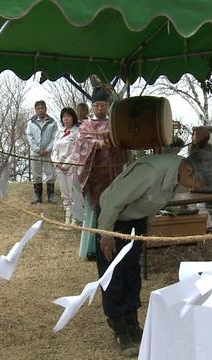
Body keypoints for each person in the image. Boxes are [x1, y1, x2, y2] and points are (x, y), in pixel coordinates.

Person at [96, 150, 212, 356]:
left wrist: (147, 226)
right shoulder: (150, 172)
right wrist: (105, 234)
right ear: (189, 170)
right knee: (113, 275)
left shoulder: (177, 175)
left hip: (135, 221)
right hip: (112, 219)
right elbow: (113, 201)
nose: (190, 189)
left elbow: (152, 203)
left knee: (132, 273)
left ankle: (132, 325)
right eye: (194, 184)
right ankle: (119, 330)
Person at [70, 87, 128, 261]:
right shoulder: (86, 124)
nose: (100, 109)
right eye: (96, 105)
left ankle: (112, 243)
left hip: (112, 173)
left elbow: (122, 142)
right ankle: (90, 249)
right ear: (92, 106)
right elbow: (81, 143)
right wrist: (97, 144)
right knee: (93, 210)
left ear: (108, 106)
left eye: (103, 105)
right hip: (93, 175)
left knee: (111, 208)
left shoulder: (114, 123)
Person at [51, 108, 79, 226]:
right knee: (65, 194)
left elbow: (76, 150)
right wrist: (57, 163)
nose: (66, 119)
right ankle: (67, 220)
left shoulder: (77, 132)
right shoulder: (59, 132)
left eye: (68, 116)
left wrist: (66, 164)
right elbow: (54, 150)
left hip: (71, 167)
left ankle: (75, 219)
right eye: (64, 117)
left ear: (73, 117)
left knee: (72, 193)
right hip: (59, 167)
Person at [26, 100, 58, 203]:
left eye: (42, 108)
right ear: (35, 110)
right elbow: (29, 137)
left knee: (50, 174)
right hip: (36, 153)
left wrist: (48, 149)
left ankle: (51, 197)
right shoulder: (31, 123)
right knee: (36, 175)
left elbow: (55, 137)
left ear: (45, 109)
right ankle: (37, 197)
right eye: (38, 108)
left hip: (48, 153)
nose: (40, 110)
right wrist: (37, 149)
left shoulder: (52, 122)